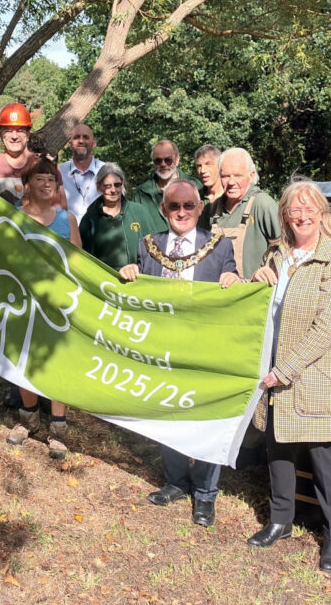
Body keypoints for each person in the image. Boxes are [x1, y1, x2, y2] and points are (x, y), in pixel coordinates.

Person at [118, 178, 240, 527]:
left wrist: (233, 279)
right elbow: (140, 292)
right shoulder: (148, 245)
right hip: (163, 346)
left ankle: (205, 492)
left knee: (206, 418)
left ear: (200, 208)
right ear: (163, 209)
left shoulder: (219, 246)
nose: (182, 212)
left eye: (189, 205)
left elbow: (232, 280)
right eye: (175, 206)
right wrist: (130, 272)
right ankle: (176, 481)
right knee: (167, 411)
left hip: (204, 349)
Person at [246, 182, 331, 572]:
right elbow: (262, 310)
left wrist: (285, 370)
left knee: (326, 459)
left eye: (310, 209)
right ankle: (280, 521)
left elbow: (328, 328)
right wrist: (256, 281)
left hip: (313, 375)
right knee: (278, 450)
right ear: (285, 216)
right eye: (295, 209)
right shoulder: (275, 254)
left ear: (322, 214)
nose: (302, 216)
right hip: (272, 370)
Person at [5, 159, 82, 459]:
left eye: (52, 179)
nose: (47, 183)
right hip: (22, 300)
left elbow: (79, 262)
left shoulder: (67, 219)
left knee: (57, 361)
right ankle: (28, 419)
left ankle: (58, 427)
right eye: (40, 178)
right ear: (28, 184)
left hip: (57, 303)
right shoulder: (14, 217)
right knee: (24, 356)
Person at [203, 147, 280, 280]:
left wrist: (265, 272)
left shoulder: (263, 204)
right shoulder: (214, 208)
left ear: (252, 175)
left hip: (252, 290)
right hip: (218, 288)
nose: (231, 182)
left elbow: (286, 249)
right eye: (225, 176)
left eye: (238, 175)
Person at [77, 163, 152, 270]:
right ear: (99, 187)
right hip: (103, 278)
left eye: (117, 185)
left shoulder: (139, 212)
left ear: (123, 184)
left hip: (135, 276)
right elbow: (82, 255)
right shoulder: (90, 218)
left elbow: (153, 247)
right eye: (108, 186)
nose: (113, 190)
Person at [132, 139, 202, 234]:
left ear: (177, 160)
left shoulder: (196, 187)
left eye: (168, 160)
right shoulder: (141, 194)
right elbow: (136, 229)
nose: (163, 164)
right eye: (158, 160)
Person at [0, 102, 38, 206]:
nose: (14, 136)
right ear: (1, 135)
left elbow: (59, 207)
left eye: (20, 130)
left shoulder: (45, 165)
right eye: (9, 131)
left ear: (28, 135)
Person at [60, 123, 106, 225]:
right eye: (76, 137)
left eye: (86, 137)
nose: (81, 141)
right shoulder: (59, 172)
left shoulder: (107, 171)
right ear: (70, 144)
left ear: (94, 144)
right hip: (68, 232)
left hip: (100, 231)